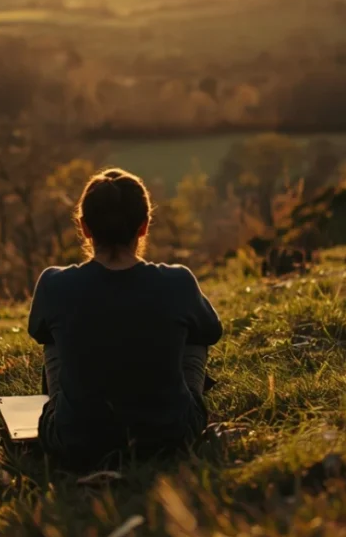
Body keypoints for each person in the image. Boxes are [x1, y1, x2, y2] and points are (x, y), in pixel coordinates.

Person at [27, 168, 223, 470]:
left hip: (73, 441)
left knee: (52, 339)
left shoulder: (54, 284)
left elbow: (37, 330)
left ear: (85, 227)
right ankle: (171, 401)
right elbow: (211, 331)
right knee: (195, 334)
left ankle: (70, 408)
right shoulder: (178, 282)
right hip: (172, 437)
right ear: (144, 226)